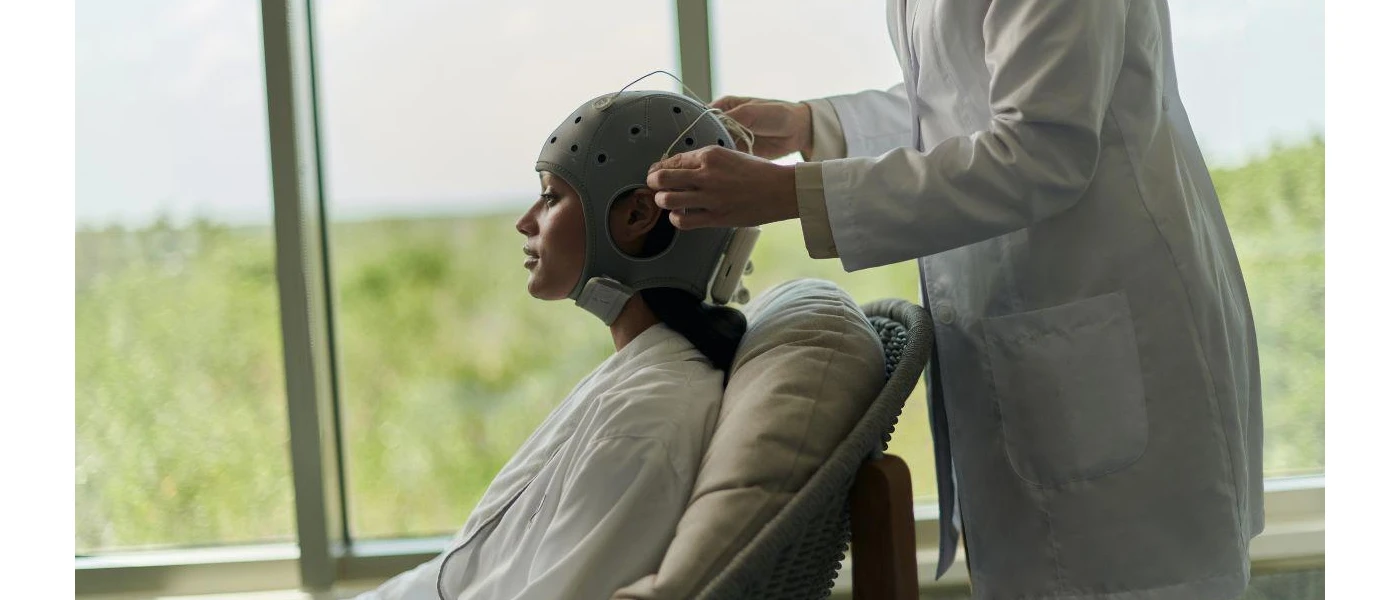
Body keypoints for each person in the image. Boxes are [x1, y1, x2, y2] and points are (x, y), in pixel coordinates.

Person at [646, 2, 1262, 599]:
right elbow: (957, 102)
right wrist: (814, 127)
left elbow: (1041, 150)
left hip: (1110, 338)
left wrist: (795, 194)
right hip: (1043, 346)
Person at [358, 91, 751, 599]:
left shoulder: (646, 419)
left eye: (550, 197)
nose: (525, 222)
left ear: (635, 217)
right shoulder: (640, 374)